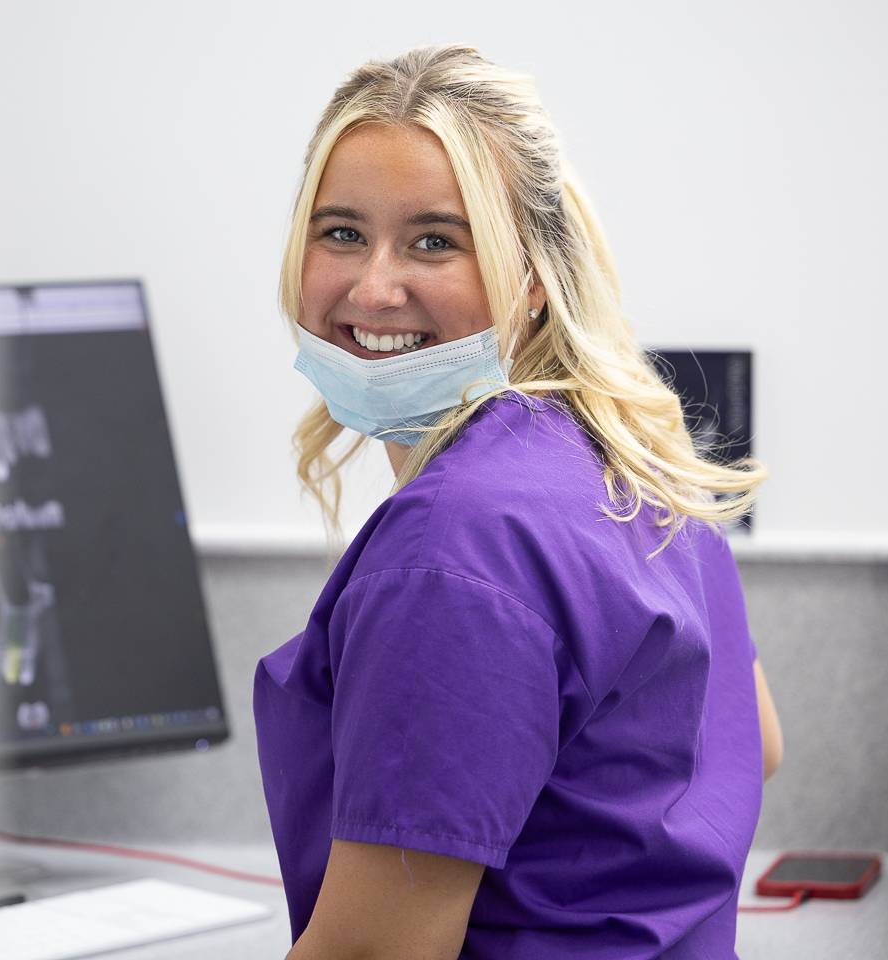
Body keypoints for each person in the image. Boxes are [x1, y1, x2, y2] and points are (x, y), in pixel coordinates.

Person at [252, 43, 785, 959]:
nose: (374, 286)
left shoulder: (455, 549)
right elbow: (753, 742)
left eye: (435, 241)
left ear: (533, 278)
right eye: (340, 233)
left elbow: (373, 954)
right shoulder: (625, 457)